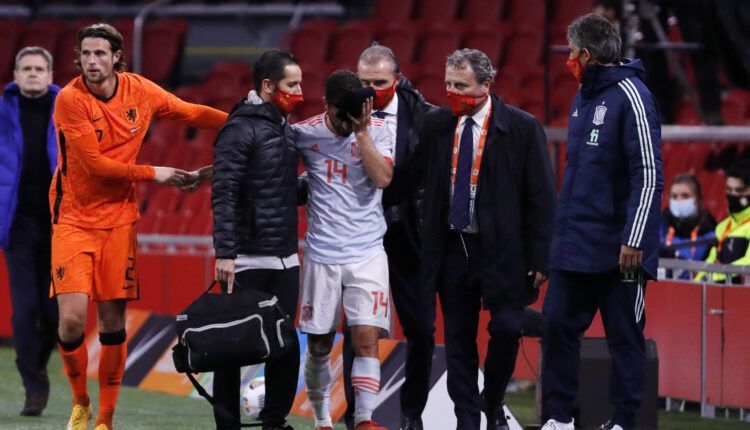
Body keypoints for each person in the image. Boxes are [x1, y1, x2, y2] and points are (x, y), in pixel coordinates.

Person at [51, 23, 227, 430]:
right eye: (86, 54)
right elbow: (96, 167)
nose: (92, 61)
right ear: (78, 58)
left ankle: (106, 420)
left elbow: (190, 111)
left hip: (118, 221)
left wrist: (246, 119)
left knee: (112, 323)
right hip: (73, 220)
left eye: (100, 53)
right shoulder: (71, 100)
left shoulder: (139, 91)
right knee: (73, 321)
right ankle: (81, 403)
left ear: (117, 57)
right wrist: (158, 173)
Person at [390, 48, 557, 430]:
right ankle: (468, 420)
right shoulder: (435, 126)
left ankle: (492, 400)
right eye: (448, 84)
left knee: (507, 328)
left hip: (505, 253)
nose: (452, 92)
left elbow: (542, 199)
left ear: (486, 84)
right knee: (459, 342)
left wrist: (541, 258)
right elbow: (407, 179)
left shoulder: (522, 128)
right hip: (452, 249)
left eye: (461, 86)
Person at [542, 14, 663, 430]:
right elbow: (576, 178)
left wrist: (634, 238)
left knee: (625, 339)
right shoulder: (583, 96)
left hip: (619, 251)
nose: (568, 60)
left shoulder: (633, 93)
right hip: (575, 243)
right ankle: (559, 418)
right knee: (557, 326)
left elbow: (647, 171)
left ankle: (625, 422)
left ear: (587, 54)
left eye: (572, 52)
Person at [339, 43, 435, 430]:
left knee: (422, 332)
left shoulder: (423, 117)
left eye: (379, 82)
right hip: (361, 238)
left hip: (408, 238)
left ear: (397, 79)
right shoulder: (340, 110)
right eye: (364, 81)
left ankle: (412, 415)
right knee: (359, 330)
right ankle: (356, 417)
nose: (371, 89)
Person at [294, 70, 394, 430]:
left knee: (366, 337)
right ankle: (322, 419)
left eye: (355, 113)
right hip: (322, 254)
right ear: (327, 106)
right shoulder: (305, 133)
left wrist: (362, 131)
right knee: (320, 344)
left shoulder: (378, 129)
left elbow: (383, 178)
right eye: (341, 116)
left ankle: (365, 419)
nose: (347, 122)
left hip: (367, 251)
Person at [212, 49, 304, 430]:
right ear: (268, 86)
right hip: (247, 259)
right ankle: (227, 425)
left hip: (285, 256)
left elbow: (278, 189)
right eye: (292, 84)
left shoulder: (283, 127)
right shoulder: (239, 129)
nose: (300, 91)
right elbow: (225, 191)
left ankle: (274, 423)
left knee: (284, 346)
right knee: (232, 349)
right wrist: (226, 253)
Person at [0, 46, 59, 417]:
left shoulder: (70, 108)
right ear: (16, 74)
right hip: (17, 225)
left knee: (55, 316)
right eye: (27, 68)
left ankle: (38, 366)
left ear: (51, 75)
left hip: (59, 225)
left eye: (40, 68)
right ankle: (33, 384)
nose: (33, 73)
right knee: (24, 312)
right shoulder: (3, 112)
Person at [697, 160, 750, 282]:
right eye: (729, 190)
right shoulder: (722, 226)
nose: (733, 194)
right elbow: (711, 261)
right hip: (720, 292)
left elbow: (748, 263)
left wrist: (712, 277)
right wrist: (697, 283)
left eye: (739, 190)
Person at [659, 173, 716, 274]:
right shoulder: (659, 226)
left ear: (698, 199)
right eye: (674, 196)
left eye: (685, 196)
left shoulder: (712, 231)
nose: (679, 200)